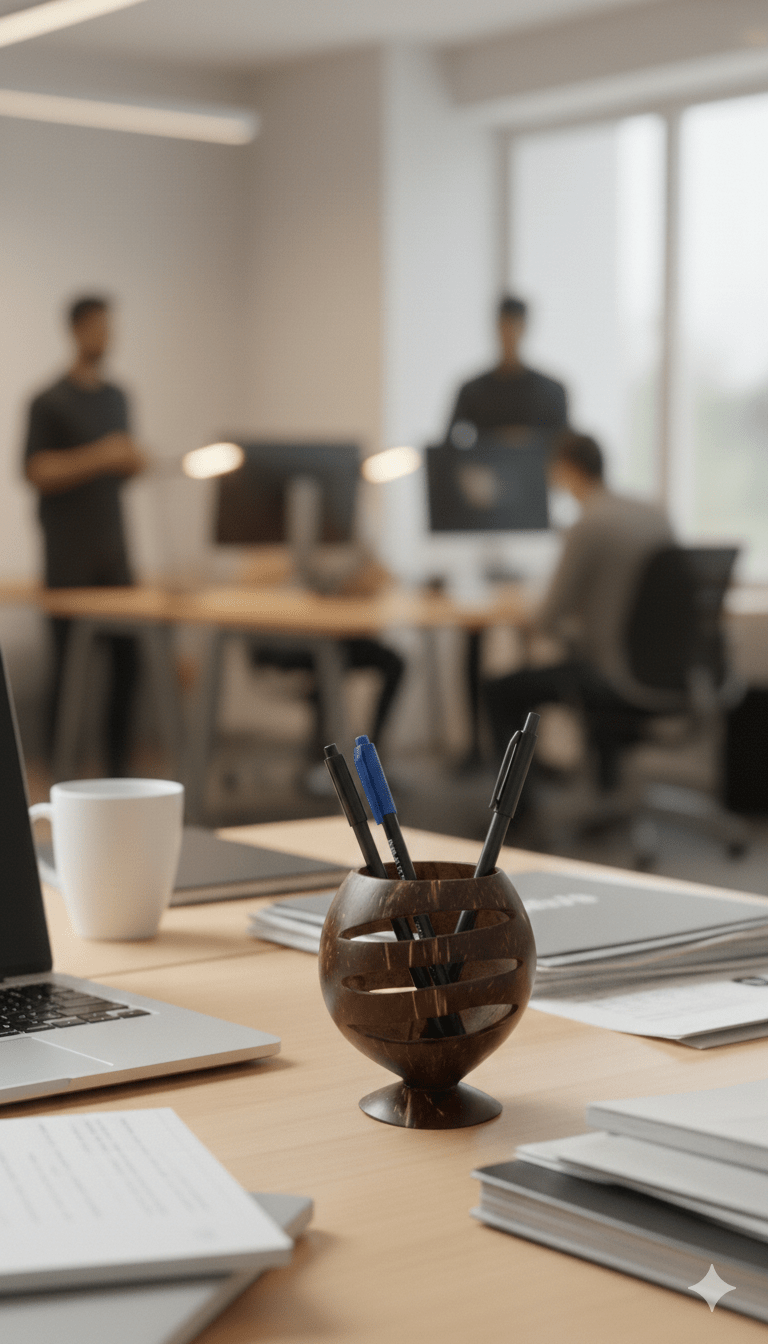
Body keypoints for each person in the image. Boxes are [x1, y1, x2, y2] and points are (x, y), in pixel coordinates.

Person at [484, 432, 675, 782]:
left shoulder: (589, 525)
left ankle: (518, 810)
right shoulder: (655, 515)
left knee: (500, 691)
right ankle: (605, 786)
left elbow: (546, 619)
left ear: (567, 469)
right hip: (671, 673)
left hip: (611, 676)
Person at [24, 295, 147, 776]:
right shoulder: (48, 401)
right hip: (68, 561)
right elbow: (36, 469)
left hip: (114, 555)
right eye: (98, 327)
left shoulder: (117, 397)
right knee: (67, 675)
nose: (107, 336)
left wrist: (132, 460)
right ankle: (58, 772)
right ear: (76, 330)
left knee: (128, 668)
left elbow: (125, 463)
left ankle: (120, 774)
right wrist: (101, 455)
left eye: (110, 327)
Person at [447, 294, 568, 442]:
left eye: (514, 325)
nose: (509, 334)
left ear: (524, 328)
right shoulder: (473, 392)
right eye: (505, 326)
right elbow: (454, 442)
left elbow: (564, 447)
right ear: (497, 327)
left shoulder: (551, 393)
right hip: (486, 463)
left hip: (535, 464)